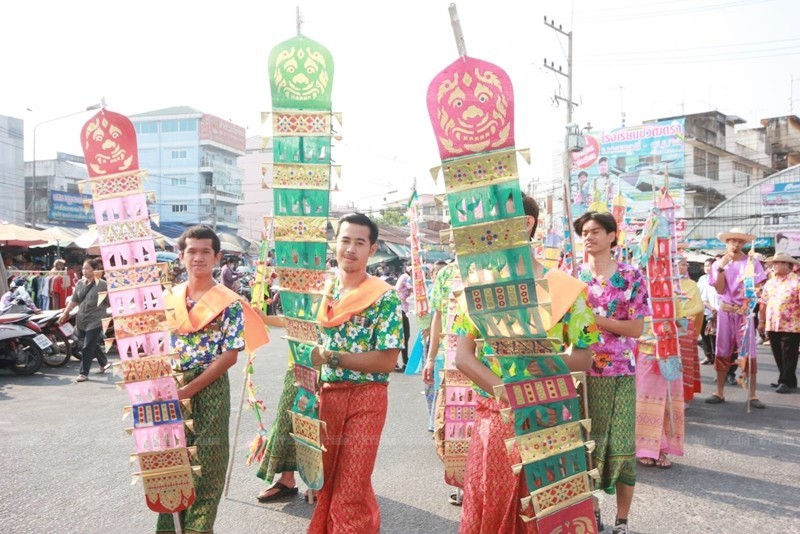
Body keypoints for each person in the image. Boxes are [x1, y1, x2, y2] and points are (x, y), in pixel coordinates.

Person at [454, 194, 598, 533]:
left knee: (544, 510)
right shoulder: (479, 286)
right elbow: (463, 356)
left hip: (550, 418)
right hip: (497, 417)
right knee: (491, 507)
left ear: (526, 223)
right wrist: (507, 393)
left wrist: (541, 368)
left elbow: (583, 356)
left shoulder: (566, 288)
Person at [156, 225, 268, 533]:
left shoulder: (228, 301)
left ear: (217, 257)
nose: (198, 257)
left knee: (208, 464)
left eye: (206, 251)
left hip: (210, 388)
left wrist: (189, 390)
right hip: (172, 385)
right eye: (191, 251)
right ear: (181, 256)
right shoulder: (170, 298)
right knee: (171, 466)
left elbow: (230, 355)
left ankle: (198, 530)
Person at [306, 213, 404, 533]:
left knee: (351, 488)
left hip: (367, 398)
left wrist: (331, 358)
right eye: (345, 240)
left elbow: (387, 361)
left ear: (371, 249)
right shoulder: (325, 292)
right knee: (327, 483)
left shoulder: (384, 297)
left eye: (359, 242)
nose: (350, 249)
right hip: (326, 396)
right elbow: (309, 348)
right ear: (335, 244)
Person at [574, 211, 651, 534]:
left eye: (595, 231)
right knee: (584, 444)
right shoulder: (573, 278)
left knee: (620, 445)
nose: (588, 237)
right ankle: (591, 512)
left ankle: (622, 519)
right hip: (581, 371)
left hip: (620, 372)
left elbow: (635, 328)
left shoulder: (632, 276)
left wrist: (595, 320)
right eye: (584, 232)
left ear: (611, 236)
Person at [705, 228, 767, 409]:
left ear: (744, 244)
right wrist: (722, 268)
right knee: (722, 349)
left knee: (748, 351)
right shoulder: (718, 264)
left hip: (744, 313)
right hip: (725, 311)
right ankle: (719, 391)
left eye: (740, 241)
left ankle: (752, 394)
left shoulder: (752, 262)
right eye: (733, 241)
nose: (736, 244)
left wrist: (747, 306)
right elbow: (719, 289)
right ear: (726, 243)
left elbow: (757, 288)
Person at [57, 259, 109, 382]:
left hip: (96, 319)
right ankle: (104, 362)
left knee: (87, 346)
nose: (84, 271)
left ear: (95, 270)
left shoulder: (102, 284)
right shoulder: (80, 283)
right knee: (90, 343)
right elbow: (74, 300)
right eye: (83, 269)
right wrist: (65, 313)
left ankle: (83, 373)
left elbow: (111, 301)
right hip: (81, 319)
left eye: (87, 269)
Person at [759, 253, 800, 394]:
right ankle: (788, 379)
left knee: (789, 354)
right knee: (777, 353)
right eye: (773, 263)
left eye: (777, 263)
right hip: (773, 324)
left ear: (787, 264)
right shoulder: (771, 282)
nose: (774, 266)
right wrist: (761, 321)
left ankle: (785, 381)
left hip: (792, 325)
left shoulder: (797, 281)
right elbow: (763, 302)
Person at [677, 256, 704, 402]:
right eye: (680, 264)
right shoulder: (662, 284)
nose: (683, 267)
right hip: (666, 326)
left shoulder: (691, 284)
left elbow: (698, 307)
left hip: (685, 326)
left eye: (684, 265)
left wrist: (677, 315)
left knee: (685, 363)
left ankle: (684, 396)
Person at [698, 258, 719, 364]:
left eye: (709, 266)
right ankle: (708, 355)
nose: (707, 268)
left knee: (713, 335)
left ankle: (716, 357)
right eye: (705, 266)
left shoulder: (717, 278)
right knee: (704, 333)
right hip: (703, 309)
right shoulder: (702, 279)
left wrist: (713, 308)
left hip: (714, 311)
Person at [394, 264, 413, 371]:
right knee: (404, 337)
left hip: (403, 309)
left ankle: (404, 361)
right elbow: (413, 288)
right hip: (400, 309)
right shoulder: (406, 277)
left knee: (404, 337)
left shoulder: (405, 277)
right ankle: (400, 362)